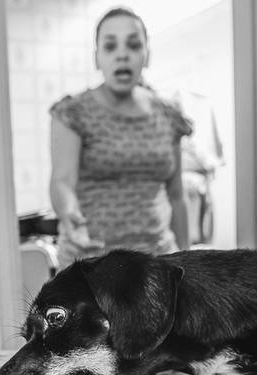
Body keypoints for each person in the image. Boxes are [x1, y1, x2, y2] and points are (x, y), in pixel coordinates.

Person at [49, 7, 192, 269]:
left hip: (156, 265)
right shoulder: (73, 113)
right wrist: (69, 214)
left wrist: (189, 262)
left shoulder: (169, 116)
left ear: (146, 55)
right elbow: (62, 181)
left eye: (134, 45)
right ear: (97, 59)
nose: (122, 55)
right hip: (90, 265)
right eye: (110, 46)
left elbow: (177, 196)